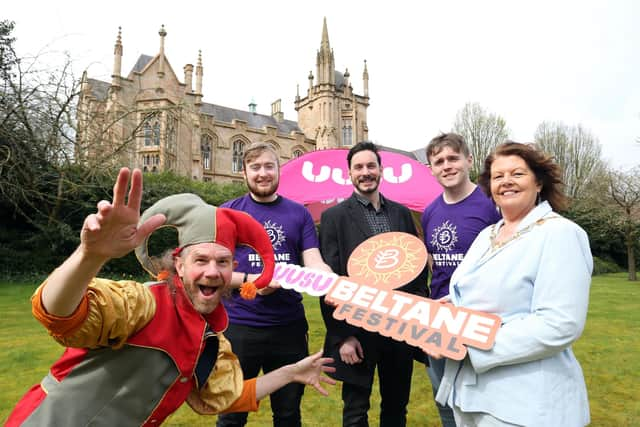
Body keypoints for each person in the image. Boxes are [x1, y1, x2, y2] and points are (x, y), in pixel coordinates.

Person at [6, 167, 335, 427]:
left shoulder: (211, 340)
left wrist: (290, 373)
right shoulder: (142, 303)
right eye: (200, 260)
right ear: (178, 263)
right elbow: (57, 312)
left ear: (233, 269)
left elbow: (230, 396)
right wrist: (89, 256)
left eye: (222, 262)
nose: (212, 272)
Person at [432, 142, 592, 426]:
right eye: (497, 176)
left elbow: (560, 323)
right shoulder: (487, 235)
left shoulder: (560, 234)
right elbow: (473, 295)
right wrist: (448, 311)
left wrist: (469, 344)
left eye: (517, 174)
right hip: (470, 394)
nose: (506, 182)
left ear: (539, 182)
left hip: (527, 403)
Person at [217, 142, 332, 427]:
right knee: (232, 413)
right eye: (255, 167)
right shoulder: (228, 213)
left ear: (278, 170)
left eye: (269, 166)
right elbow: (215, 272)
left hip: (288, 329)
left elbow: (313, 260)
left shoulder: (299, 214)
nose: (263, 173)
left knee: (288, 414)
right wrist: (253, 282)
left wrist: (329, 279)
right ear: (244, 173)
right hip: (240, 329)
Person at [318, 141, 429, 427]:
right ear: (349, 174)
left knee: (396, 408)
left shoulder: (401, 214)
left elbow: (416, 269)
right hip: (358, 330)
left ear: (381, 170)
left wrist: (416, 318)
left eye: (371, 166)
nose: (365, 172)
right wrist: (343, 335)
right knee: (355, 413)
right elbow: (328, 280)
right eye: (359, 167)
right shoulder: (334, 218)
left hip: (398, 327)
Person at [420, 133, 501, 426]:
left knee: (485, 402)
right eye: (438, 161)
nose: (446, 166)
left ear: (468, 160)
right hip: (439, 319)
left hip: (481, 315)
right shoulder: (430, 212)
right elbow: (433, 261)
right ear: (431, 169)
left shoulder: (491, 205)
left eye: (453, 158)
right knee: (444, 399)